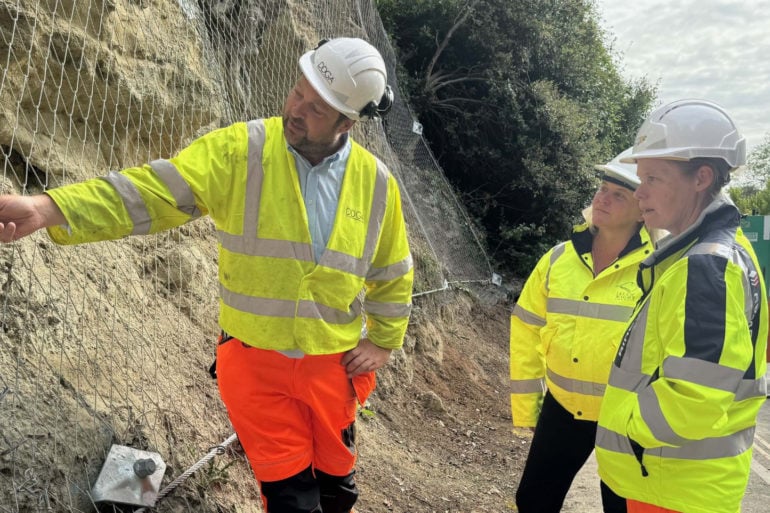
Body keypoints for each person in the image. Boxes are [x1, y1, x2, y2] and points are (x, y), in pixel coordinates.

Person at [0, 37, 413, 513]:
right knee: (292, 499)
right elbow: (149, 192)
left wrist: (383, 339)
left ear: (347, 121)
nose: (296, 109)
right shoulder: (243, 150)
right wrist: (49, 207)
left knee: (338, 491)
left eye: (316, 108)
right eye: (298, 91)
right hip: (257, 368)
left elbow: (393, 271)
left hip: (331, 369)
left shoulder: (377, 182)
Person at [595, 99, 768, 513]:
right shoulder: (711, 251)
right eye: (641, 179)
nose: (641, 193)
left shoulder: (706, 265)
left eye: (653, 178)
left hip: (671, 486)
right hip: (670, 480)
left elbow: (696, 397)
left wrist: (627, 426)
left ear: (701, 178)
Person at [510, 148, 654, 513]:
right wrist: (528, 408)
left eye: (618, 194)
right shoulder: (558, 259)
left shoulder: (659, 269)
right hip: (563, 408)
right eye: (602, 188)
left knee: (623, 509)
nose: (602, 198)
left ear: (642, 210)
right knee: (533, 501)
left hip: (626, 418)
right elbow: (526, 329)